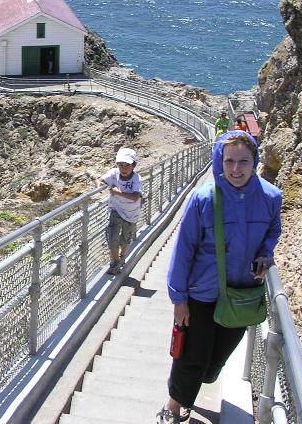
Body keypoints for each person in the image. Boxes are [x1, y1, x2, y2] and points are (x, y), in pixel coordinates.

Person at [156, 131, 281, 423]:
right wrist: (179, 299)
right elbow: (184, 249)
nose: (236, 169)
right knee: (191, 357)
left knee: (216, 360)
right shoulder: (204, 198)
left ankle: (192, 391)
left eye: (243, 162)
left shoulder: (270, 197)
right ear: (219, 162)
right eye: (229, 161)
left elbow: (272, 231)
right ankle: (173, 406)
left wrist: (265, 251)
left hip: (241, 293)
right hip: (202, 292)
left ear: (255, 162)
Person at [96, 147, 143, 275]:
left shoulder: (136, 179)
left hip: (131, 212)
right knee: (112, 236)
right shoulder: (114, 173)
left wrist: (117, 192)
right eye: (120, 164)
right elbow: (100, 180)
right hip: (115, 209)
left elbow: (135, 197)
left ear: (133, 165)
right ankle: (115, 262)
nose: (123, 168)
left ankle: (122, 257)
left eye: (127, 165)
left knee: (125, 239)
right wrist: (99, 185)